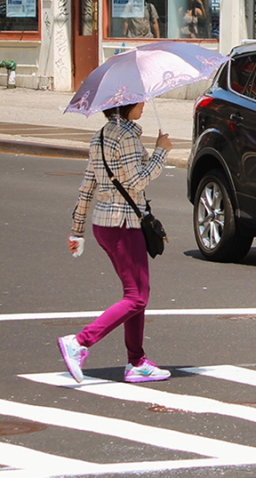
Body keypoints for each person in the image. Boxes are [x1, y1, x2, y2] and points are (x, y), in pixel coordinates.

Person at [59, 103, 173, 384]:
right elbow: (137, 181)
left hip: (103, 225)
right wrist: (161, 151)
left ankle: (136, 362)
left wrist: (77, 230)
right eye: (139, 101)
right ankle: (80, 343)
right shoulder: (127, 138)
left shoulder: (99, 137)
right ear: (127, 106)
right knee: (137, 296)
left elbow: (88, 185)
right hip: (123, 225)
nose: (144, 104)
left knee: (135, 294)